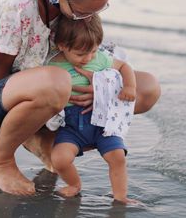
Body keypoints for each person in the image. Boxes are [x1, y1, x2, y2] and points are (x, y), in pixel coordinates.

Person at [0, 0, 160, 196]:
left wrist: (101, 89)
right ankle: (0, 158)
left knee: (146, 87)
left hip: (54, 103)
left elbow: (99, 59)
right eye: (82, 13)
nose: (89, 19)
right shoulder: (17, 5)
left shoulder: (72, 5)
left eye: (98, 10)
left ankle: (41, 137)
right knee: (57, 81)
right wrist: (61, 94)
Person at [49, 15, 137, 204]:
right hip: (71, 127)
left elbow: (124, 66)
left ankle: (120, 196)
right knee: (59, 159)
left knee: (117, 156)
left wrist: (129, 87)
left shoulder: (101, 58)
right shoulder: (51, 64)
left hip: (102, 125)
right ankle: (74, 184)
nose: (88, 58)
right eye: (81, 54)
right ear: (62, 45)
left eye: (93, 51)